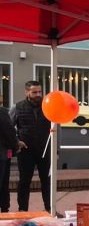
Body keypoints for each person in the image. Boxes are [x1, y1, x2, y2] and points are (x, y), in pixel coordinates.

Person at [11, 81, 52, 213]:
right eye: (34, 92)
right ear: (27, 92)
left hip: (45, 149)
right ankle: (23, 210)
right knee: (24, 181)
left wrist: (55, 148)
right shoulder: (18, 107)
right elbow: (8, 126)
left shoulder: (48, 106)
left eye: (40, 92)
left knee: (47, 180)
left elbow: (56, 126)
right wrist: (16, 141)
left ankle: (50, 209)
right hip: (26, 150)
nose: (38, 95)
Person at [0, 101, 18, 213]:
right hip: (2, 154)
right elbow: (9, 132)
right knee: (3, 182)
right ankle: (4, 209)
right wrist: (15, 146)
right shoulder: (2, 112)